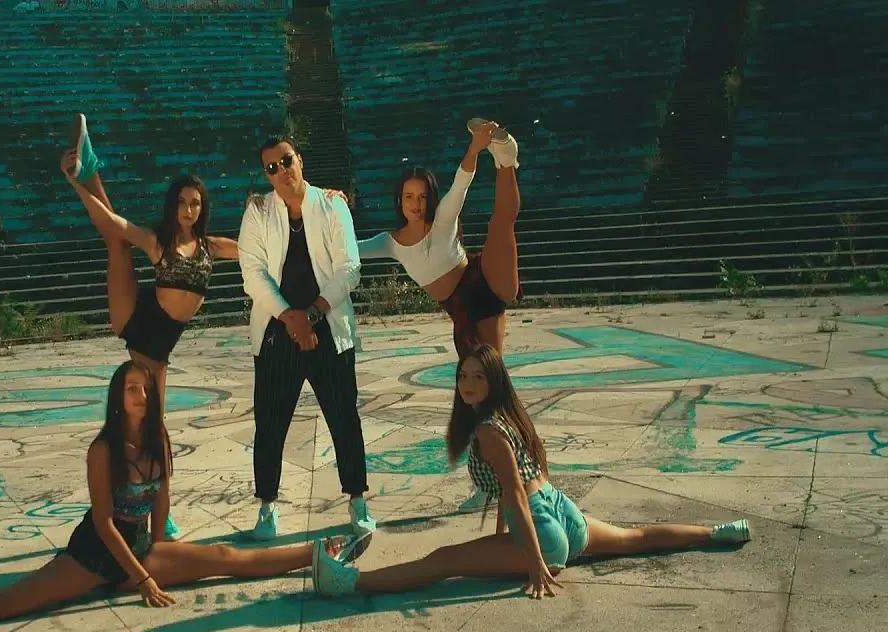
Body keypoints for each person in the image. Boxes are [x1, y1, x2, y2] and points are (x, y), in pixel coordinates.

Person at [0, 360, 373, 632]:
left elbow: (160, 504)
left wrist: (160, 552)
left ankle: (320, 552)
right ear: (117, 398)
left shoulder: (159, 438)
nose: (141, 395)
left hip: (139, 548)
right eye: (131, 389)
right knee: (6, 604)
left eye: (146, 388)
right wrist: (141, 579)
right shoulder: (103, 449)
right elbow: (102, 521)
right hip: (96, 554)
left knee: (225, 558)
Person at [59, 115, 346, 538]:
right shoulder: (158, 242)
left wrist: (323, 202)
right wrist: (74, 184)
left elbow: (264, 244)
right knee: (116, 239)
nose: (189, 210)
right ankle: (161, 515)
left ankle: (91, 166)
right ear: (172, 205)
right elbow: (111, 220)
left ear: (202, 207)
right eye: (182, 203)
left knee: (154, 428)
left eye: (195, 203)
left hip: (162, 344)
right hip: (139, 323)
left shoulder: (211, 246)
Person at [308, 343, 753, 600]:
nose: (467, 385)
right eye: (463, 376)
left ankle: (348, 582)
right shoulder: (509, 414)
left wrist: (537, 566)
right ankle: (716, 533)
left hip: (544, 531)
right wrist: (506, 537)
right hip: (561, 511)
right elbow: (521, 484)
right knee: (633, 538)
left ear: (493, 382)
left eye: (478, 378)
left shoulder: (487, 430)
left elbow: (516, 495)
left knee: (443, 561)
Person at [237, 136, 374, 541]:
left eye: (286, 161)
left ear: (300, 159)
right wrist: (289, 318)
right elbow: (252, 274)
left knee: (344, 418)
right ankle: (267, 507)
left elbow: (349, 268)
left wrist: (310, 315)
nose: (281, 171)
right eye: (272, 167)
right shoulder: (258, 211)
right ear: (266, 175)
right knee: (270, 422)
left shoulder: (331, 205)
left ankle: (357, 501)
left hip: (328, 326)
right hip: (277, 331)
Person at [356, 118, 522, 358]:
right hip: (464, 309)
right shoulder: (389, 242)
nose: (416, 204)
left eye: (422, 197)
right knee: (484, 370)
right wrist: (332, 203)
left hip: (485, 278)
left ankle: (505, 160)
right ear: (399, 200)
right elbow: (350, 247)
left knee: (500, 224)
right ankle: (503, 160)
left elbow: (460, 184)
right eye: (409, 197)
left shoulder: (442, 219)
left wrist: (474, 149)